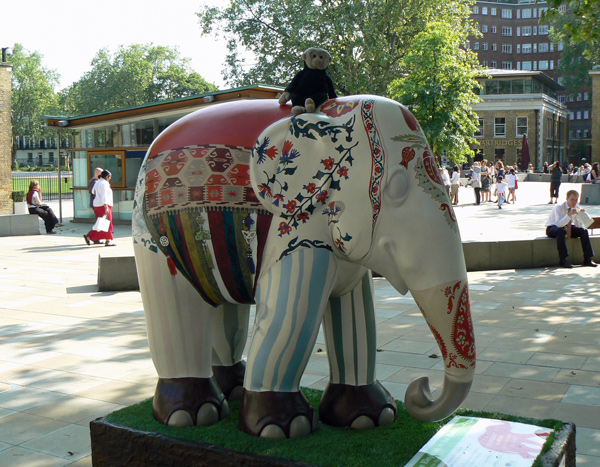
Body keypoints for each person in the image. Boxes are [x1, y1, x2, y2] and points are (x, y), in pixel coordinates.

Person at [546, 190, 597, 268]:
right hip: (553, 227)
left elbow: (579, 226)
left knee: (583, 231)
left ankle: (587, 258)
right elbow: (559, 224)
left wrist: (581, 216)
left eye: (576, 199)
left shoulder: (577, 207)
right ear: (567, 198)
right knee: (560, 231)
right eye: (572, 199)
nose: (574, 202)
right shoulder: (558, 207)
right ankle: (563, 259)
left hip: (567, 228)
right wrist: (569, 215)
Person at [83, 170, 116, 246]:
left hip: (97, 205)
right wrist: (106, 206)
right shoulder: (105, 183)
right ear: (107, 176)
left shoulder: (97, 182)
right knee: (108, 223)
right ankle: (108, 240)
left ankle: (90, 236)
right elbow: (104, 195)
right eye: (110, 177)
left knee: (101, 223)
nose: (110, 178)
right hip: (103, 205)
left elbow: (93, 191)